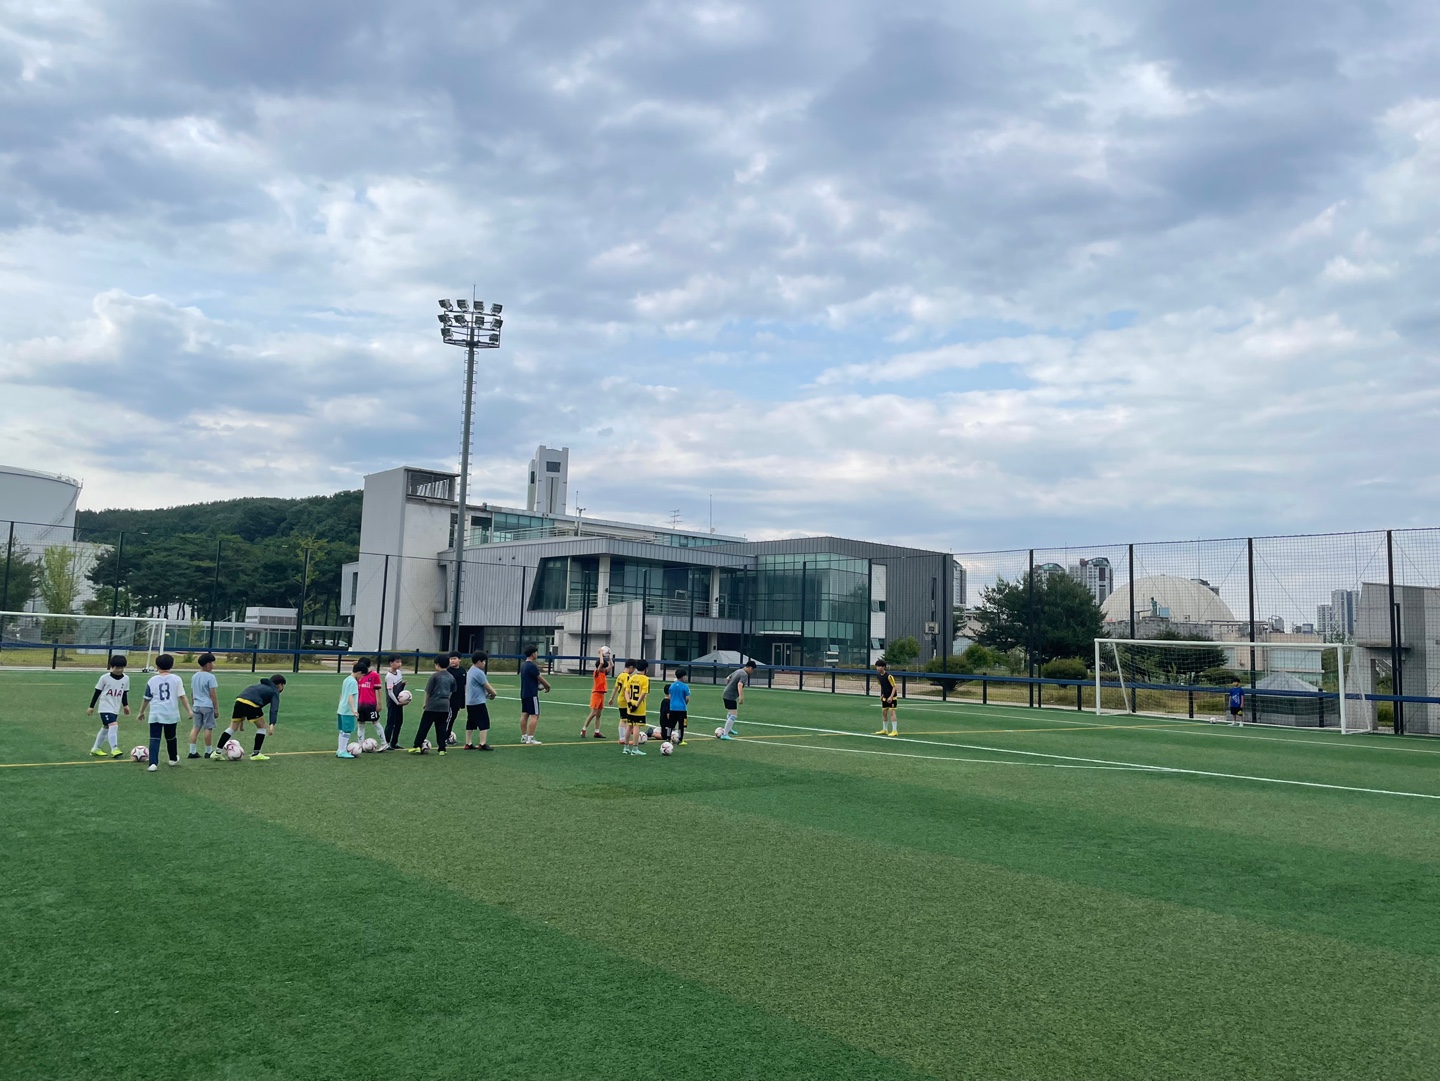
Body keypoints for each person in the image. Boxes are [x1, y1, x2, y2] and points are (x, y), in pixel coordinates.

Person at [136, 653, 192, 772]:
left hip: (156, 713)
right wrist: (189, 711)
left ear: (157, 666)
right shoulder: (176, 679)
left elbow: (146, 698)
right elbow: (182, 696)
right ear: (172, 665)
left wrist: (141, 711)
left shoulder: (152, 680)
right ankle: (172, 758)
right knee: (171, 737)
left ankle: (153, 764)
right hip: (171, 713)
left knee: (154, 738)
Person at [214, 674, 286, 761]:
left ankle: (217, 752)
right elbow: (274, 709)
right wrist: (272, 724)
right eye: (283, 685)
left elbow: (246, 700)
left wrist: (241, 722)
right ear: (279, 685)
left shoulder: (259, 686)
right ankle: (256, 753)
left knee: (232, 727)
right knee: (262, 726)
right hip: (252, 704)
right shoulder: (274, 692)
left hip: (239, 701)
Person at [409, 656, 454, 755]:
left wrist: (426, 703)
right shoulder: (451, 677)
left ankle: (417, 746)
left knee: (424, 726)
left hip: (433, 704)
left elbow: (428, 691)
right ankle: (442, 749)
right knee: (441, 727)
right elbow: (451, 691)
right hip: (445, 705)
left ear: (437, 665)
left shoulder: (434, 676)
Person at [87, 655, 130, 758]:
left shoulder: (126, 679)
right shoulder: (104, 678)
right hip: (104, 707)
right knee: (113, 725)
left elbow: (124, 693)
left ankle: (95, 749)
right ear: (111, 666)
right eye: (117, 667)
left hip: (115, 708)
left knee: (106, 727)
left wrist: (125, 705)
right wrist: (91, 706)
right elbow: (97, 692)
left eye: (121, 668)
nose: (119, 670)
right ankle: (114, 748)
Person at [187, 653, 220, 758]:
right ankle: (208, 751)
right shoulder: (210, 677)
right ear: (207, 665)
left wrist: (193, 704)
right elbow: (212, 693)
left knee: (196, 727)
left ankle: (192, 751)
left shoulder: (195, 676)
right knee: (208, 728)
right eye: (212, 663)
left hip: (196, 705)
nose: (214, 665)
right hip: (207, 705)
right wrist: (215, 708)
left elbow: (192, 692)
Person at [464, 650, 497, 750]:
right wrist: (494, 693)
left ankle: (468, 743)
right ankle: (482, 743)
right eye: (484, 661)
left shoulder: (470, 670)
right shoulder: (478, 673)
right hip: (478, 702)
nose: (484, 663)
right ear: (479, 662)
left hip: (470, 701)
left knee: (471, 722)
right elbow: (487, 686)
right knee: (484, 722)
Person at [518, 645, 551, 745]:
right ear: (533, 654)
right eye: (536, 652)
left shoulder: (524, 665)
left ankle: (524, 736)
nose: (537, 654)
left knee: (525, 714)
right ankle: (530, 738)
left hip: (524, 693)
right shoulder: (532, 665)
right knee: (535, 715)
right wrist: (548, 686)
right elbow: (540, 678)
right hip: (532, 694)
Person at [719, 659, 756, 740]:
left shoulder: (738, 670)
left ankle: (729, 729)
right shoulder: (744, 674)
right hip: (730, 696)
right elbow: (739, 684)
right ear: (749, 668)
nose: (752, 672)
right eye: (752, 670)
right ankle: (725, 734)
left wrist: (729, 686)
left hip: (727, 693)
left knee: (731, 712)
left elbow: (728, 678)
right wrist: (741, 697)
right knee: (733, 714)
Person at [356, 657, 385, 746]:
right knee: (361, 723)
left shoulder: (374, 675)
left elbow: (378, 689)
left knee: (375, 722)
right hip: (360, 704)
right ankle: (360, 745)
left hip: (371, 704)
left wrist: (379, 703)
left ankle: (384, 743)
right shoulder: (359, 676)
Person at [624, 658, 651, 756]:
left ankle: (626, 747)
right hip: (638, 707)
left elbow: (626, 691)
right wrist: (637, 705)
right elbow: (643, 693)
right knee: (636, 726)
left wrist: (629, 703)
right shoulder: (645, 679)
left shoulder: (631, 677)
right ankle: (635, 749)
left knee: (629, 726)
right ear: (646, 668)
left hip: (630, 705)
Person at [607, 658, 635, 748]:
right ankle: (623, 738)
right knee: (624, 719)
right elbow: (627, 689)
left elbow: (615, 687)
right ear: (630, 667)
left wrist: (612, 698)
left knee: (623, 718)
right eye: (633, 669)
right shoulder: (626, 677)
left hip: (620, 698)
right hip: (624, 700)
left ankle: (623, 737)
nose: (633, 671)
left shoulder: (620, 675)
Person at [336, 660, 362, 758]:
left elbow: (342, 694)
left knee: (342, 730)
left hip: (342, 709)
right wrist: (353, 710)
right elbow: (350, 696)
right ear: (359, 673)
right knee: (347, 731)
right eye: (362, 675)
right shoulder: (353, 682)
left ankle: (340, 749)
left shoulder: (346, 679)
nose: (361, 678)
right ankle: (342, 751)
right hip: (347, 711)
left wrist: (340, 705)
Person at [581, 656, 610, 739]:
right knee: (593, 713)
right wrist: (601, 653)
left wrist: (609, 656)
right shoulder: (596, 672)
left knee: (598, 715)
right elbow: (601, 663)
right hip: (596, 694)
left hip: (602, 695)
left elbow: (611, 665)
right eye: (604, 667)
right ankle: (584, 729)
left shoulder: (603, 673)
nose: (605, 669)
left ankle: (597, 732)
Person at [383, 655, 407, 750]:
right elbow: (390, 692)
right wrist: (397, 702)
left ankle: (394, 742)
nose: (399, 664)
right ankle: (386, 743)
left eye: (400, 662)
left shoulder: (399, 673)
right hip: (393, 703)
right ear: (391, 663)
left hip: (399, 702)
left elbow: (398, 688)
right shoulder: (389, 676)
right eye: (397, 662)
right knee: (390, 723)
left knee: (399, 722)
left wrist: (403, 686)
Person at [445, 652, 466, 747]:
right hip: (450, 699)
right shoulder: (448, 671)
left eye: (454, 658)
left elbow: (464, 685)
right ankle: (445, 737)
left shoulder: (463, 671)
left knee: (453, 718)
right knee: (448, 718)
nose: (452, 660)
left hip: (459, 699)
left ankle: (447, 735)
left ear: (459, 659)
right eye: (451, 659)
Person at [874, 660, 899, 736]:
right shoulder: (878, 676)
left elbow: (894, 687)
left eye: (879, 666)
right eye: (877, 666)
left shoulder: (889, 676)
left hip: (892, 697)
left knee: (892, 712)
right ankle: (885, 729)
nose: (878, 668)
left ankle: (894, 731)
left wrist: (891, 697)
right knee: (884, 713)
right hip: (885, 697)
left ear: (883, 667)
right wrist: (881, 695)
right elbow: (882, 686)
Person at [668, 668, 691, 744]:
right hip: (682, 709)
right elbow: (687, 698)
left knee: (670, 725)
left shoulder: (672, 686)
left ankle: (668, 738)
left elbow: (670, 696)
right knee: (681, 725)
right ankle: (680, 740)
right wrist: (684, 703)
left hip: (673, 708)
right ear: (683, 677)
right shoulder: (685, 687)